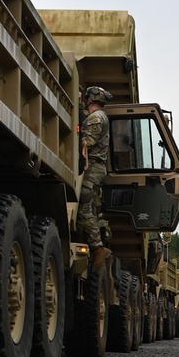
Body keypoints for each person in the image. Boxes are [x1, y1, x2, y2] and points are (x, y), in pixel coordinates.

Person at [77, 85, 112, 262]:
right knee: (89, 207)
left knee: (83, 206)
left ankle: (97, 247)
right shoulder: (97, 117)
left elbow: (86, 142)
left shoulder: (96, 118)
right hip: (95, 168)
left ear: (90, 99)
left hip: (93, 168)